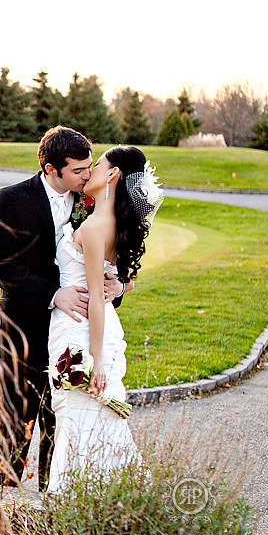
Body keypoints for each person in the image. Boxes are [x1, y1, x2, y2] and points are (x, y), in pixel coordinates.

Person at [0, 126, 124, 491]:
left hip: (71, 334)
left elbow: (108, 263)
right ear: (50, 169)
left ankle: (53, 496)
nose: (87, 175)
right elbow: (1, 265)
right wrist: (54, 294)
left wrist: (118, 285)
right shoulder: (10, 200)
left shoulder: (91, 201)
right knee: (14, 415)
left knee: (61, 420)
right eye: (78, 170)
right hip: (23, 330)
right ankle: (0, 502)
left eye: (89, 167)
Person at [46, 145, 163, 493]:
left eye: (97, 165)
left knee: (77, 419)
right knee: (91, 421)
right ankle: (110, 500)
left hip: (84, 330)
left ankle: (72, 503)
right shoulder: (112, 223)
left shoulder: (97, 226)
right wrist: (121, 284)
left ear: (113, 175)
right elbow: (117, 281)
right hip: (90, 324)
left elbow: (97, 297)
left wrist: (95, 361)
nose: (90, 171)